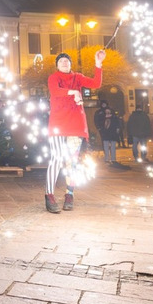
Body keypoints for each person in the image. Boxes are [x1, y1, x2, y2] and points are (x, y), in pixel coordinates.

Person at [45, 50, 105, 213]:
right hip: (58, 124)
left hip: (75, 124)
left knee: (72, 161)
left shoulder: (77, 77)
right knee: (56, 158)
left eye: (67, 60)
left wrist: (98, 64)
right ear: (57, 65)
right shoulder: (53, 77)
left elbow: (96, 83)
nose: (64, 62)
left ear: (71, 64)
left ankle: (69, 194)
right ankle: (49, 195)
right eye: (61, 61)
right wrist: (73, 92)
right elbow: (55, 91)